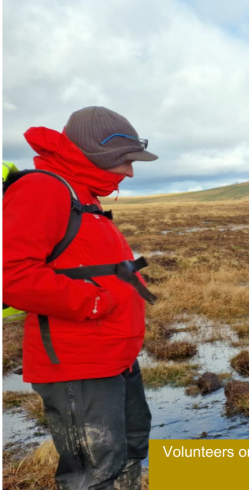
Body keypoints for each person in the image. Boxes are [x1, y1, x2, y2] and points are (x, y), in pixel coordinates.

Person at [3, 106, 158, 489]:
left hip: (113, 356)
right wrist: (94, 302)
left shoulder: (79, 194)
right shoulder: (42, 189)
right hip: (78, 365)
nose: (130, 173)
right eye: (124, 162)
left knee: (129, 451)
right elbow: (11, 275)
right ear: (98, 155)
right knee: (94, 473)